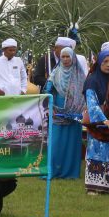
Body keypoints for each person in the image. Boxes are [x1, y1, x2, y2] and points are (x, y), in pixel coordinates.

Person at [82, 50, 109, 194]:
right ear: (99, 63)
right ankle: (93, 188)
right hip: (98, 126)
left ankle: (108, 187)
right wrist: (104, 120)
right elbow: (92, 104)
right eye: (105, 61)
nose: (108, 65)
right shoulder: (92, 80)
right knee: (97, 154)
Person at [43, 46, 85, 179]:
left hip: (74, 113)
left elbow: (84, 94)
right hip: (58, 112)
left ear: (73, 58)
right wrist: (51, 107)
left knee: (71, 143)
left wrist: (79, 108)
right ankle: (52, 171)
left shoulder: (79, 74)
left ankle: (70, 172)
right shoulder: (55, 73)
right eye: (63, 57)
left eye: (68, 56)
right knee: (56, 142)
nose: (66, 59)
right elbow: (47, 91)